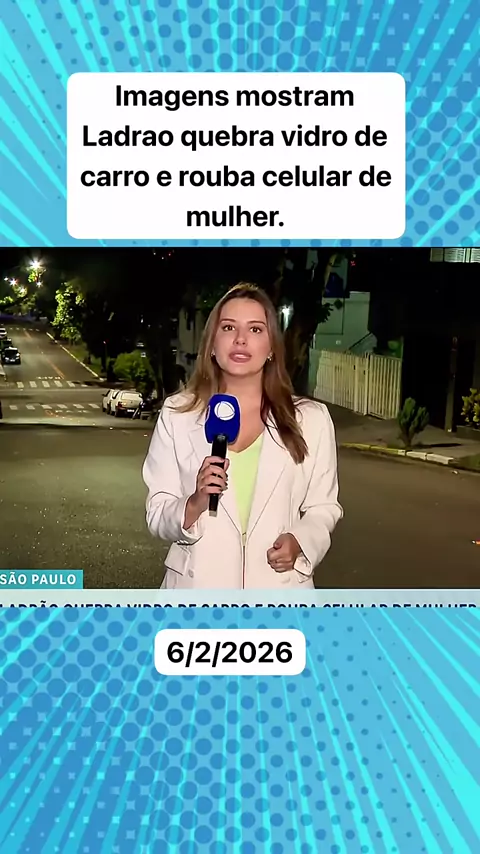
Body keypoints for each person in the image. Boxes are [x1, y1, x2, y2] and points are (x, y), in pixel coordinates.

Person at [142, 283, 343, 590]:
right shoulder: (177, 415)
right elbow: (157, 512)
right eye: (228, 327)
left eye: (255, 329)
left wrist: (301, 541)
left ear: (272, 347)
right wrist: (194, 503)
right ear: (212, 343)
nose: (240, 339)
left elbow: (324, 507)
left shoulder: (311, 420)